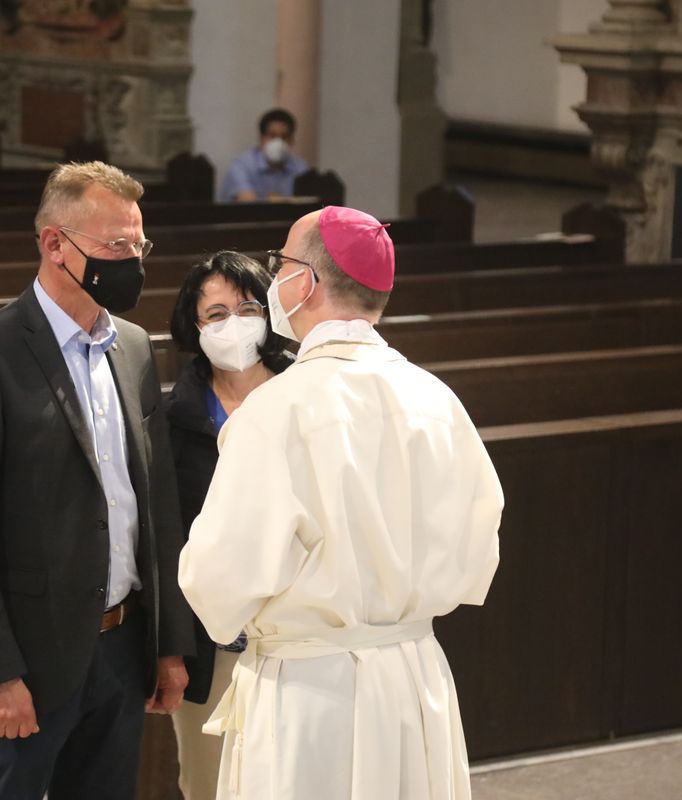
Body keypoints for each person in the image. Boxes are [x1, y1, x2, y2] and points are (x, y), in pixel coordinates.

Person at [178, 206, 504, 799]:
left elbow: (219, 580)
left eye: (279, 263)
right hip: (414, 677)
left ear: (306, 281)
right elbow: (478, 555)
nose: (274, 277)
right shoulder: (436, 400)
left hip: (309, 695)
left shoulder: (278, 411)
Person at [0, 161, 194, 800]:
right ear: (54, 244)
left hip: (123, 647)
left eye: (139, 245)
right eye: (115, 246)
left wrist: (167, 644)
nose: (132, 260)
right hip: (26, 658)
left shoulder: (130, 345)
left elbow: (152, 503)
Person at [164, 251, 293, 800]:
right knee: (209, 780)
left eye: (245, 308)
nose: (233, 324)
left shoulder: (304, 391)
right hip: (212, 634)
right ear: (194, 328)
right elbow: (167, 533)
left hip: (298, 625)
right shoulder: (175, 416)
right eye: (216, 315)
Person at [217, 108, 309, 203]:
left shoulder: (300, 168)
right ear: (261, 138)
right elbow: (248, 203)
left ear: (292, 140)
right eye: (272, 136)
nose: (279, 142)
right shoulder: (241, 166)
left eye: (284, 137)